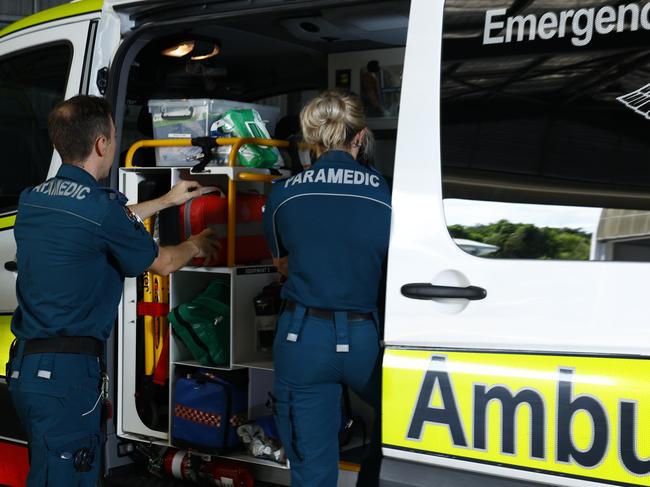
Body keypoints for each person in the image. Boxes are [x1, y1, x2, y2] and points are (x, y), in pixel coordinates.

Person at [6, 95, 219, 486]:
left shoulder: (33, 200)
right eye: (116, 135)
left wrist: (167, 200)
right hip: (67, 377)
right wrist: (198, 244)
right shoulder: (101, 209)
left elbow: (101, 223)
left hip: (27, 371)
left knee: (52, 471)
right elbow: (164, 263)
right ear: (102, 144)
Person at [263, 91, 391, 486]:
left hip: (304, 338)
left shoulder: (285, 194)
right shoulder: (389, 195)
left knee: (312, 470)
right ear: (361, 136)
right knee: (401, 436)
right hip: (367, 338)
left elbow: (281, 262)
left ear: (311, 140)